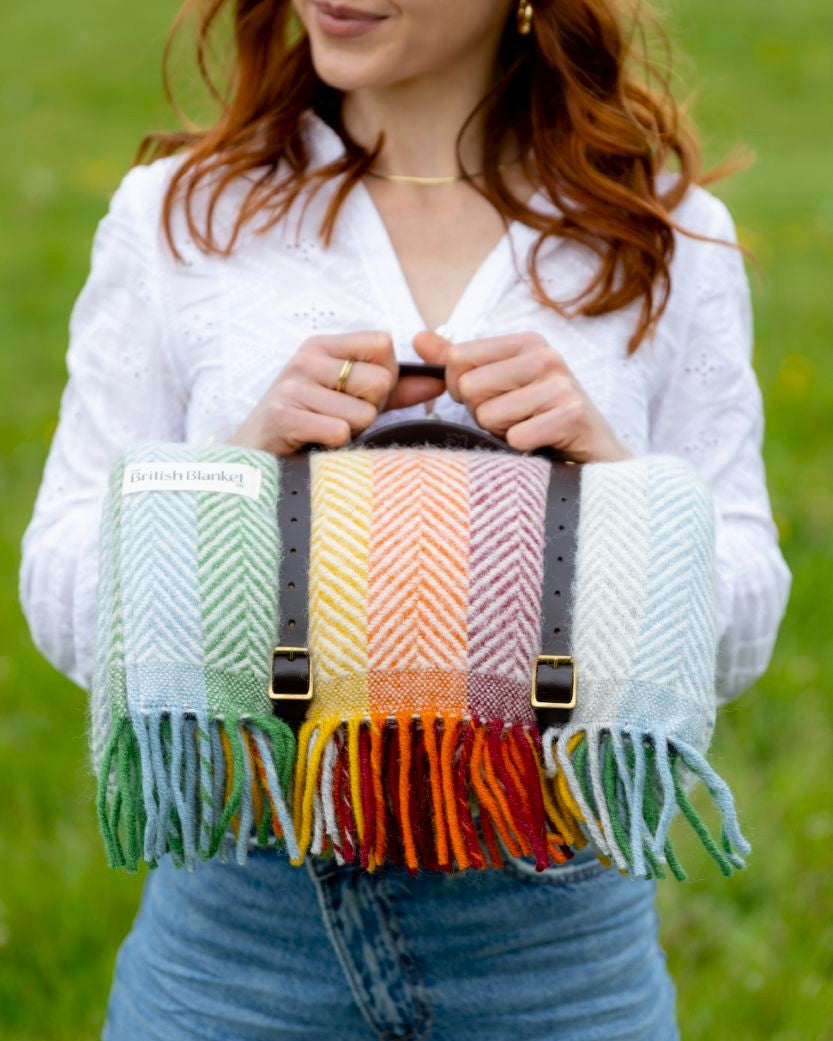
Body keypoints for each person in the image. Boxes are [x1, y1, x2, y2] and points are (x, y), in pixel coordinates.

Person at [19, 0, 791, 1038]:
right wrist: (235, 480)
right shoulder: (178, 217)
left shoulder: (660, 228)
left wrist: (609, 483)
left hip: (557, 959)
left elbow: (744, 625)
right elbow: (59, 588)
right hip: (238, 943)